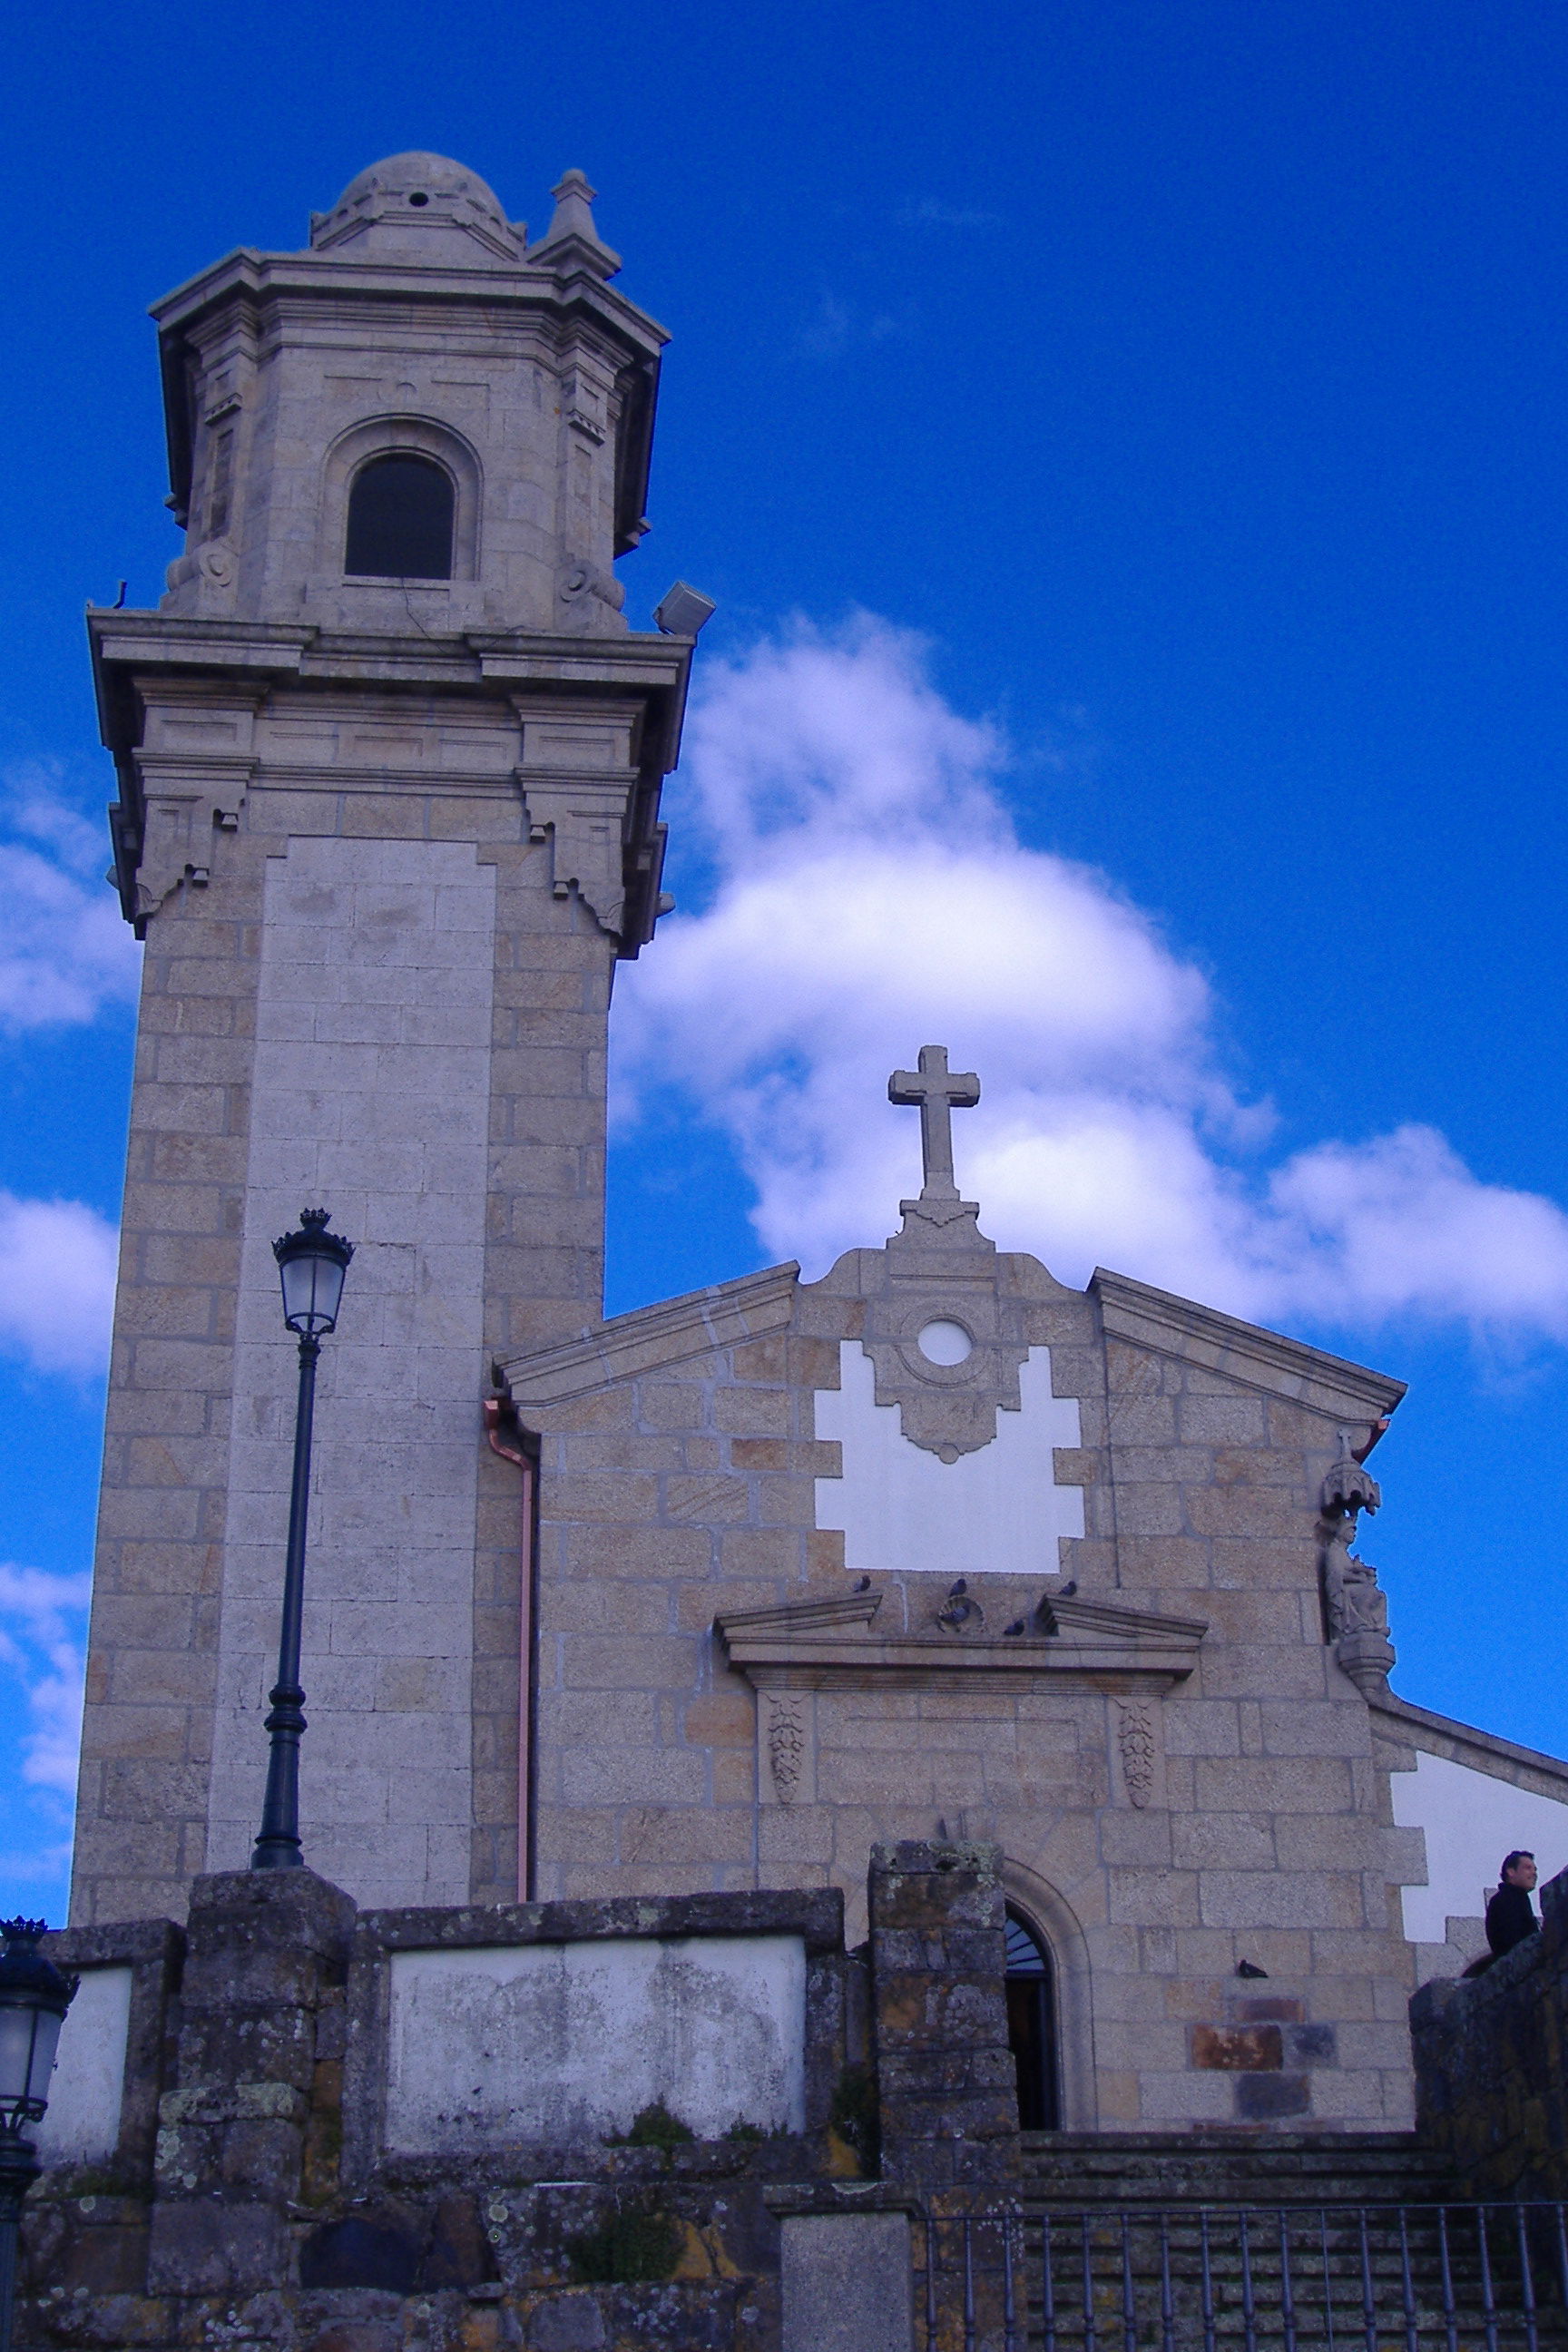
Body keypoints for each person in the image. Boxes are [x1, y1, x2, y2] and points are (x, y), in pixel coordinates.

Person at [1485, 1850, 1540, 1959]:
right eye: (1528, 1868)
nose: (1534, 1873)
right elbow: (1512, 1941)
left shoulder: (1517, 1898)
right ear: (1511, 1872)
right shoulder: (1507, 1900)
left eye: (1534, 1869)